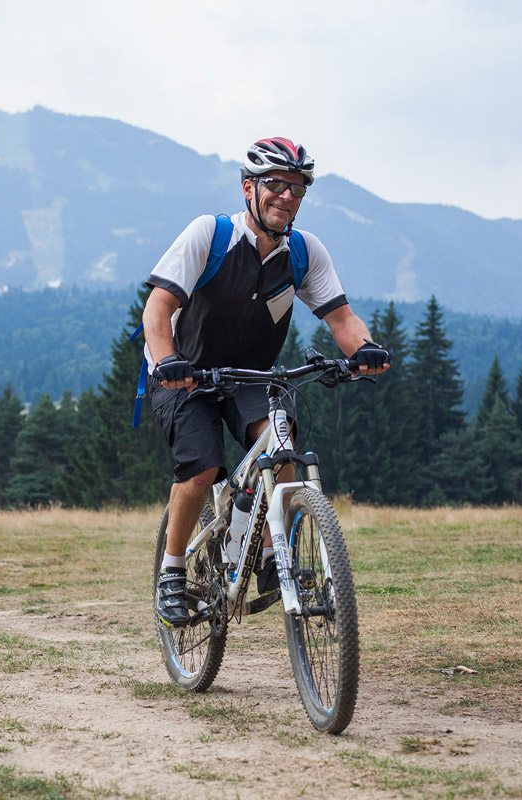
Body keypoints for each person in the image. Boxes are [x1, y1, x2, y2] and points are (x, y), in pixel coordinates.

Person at [142, 137, 391, 628]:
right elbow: (158, 308)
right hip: (185, 374)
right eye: (275, 184)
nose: (287, 196)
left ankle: (272, 553)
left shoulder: (303, 252)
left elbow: (341, 318)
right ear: (248, 188)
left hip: (253, 375)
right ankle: (172, 571)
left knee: (282, 448)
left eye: (297, 188)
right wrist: (168, 361)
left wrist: (363, 349)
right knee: (200, 470)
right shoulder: (210, 235)